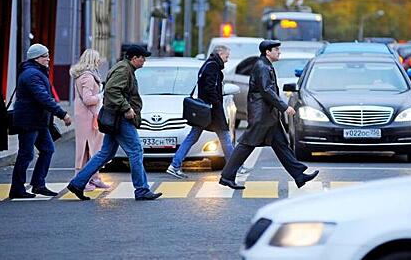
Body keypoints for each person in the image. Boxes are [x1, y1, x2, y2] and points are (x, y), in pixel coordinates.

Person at [220, 40, 319, 190]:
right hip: (262, 116)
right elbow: (267, 91)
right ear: (267, 52)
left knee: (282, 145)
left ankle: (299, 175)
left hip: (268, 115)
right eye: (276, 50)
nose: (279, 52)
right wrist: (284, 107)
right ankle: (227, 176)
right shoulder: (262, 67)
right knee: (246, 145)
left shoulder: (266, 65)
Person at [67, 45, 162, 201]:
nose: (144, 60)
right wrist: (126, 108)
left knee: (105, 153)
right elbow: (111, 90)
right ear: (134, 58)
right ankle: (142, 190)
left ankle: (77, 183)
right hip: (120, 118)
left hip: (115, 118)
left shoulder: (125, 68)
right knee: (136, 150)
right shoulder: (124, 70)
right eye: (142, 57)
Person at [166, 45, 249, 178]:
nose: (227, 60)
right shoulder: (213, 66)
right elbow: (210, 87)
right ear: (220, 53)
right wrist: (216, 102)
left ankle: (174, 165)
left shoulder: (209, 64)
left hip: (205, 109)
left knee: (193, 137)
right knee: (225, 137)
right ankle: (235, 167)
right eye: (226, 56)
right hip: (211, 110)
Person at [9, 44, 72, 199]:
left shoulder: (37, 72)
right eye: (45, 56)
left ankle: (38, 184)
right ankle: (17, 188)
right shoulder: (32, 75)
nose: (48, 59)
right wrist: (62, 114)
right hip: (28, 121)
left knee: (47, 150)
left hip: (39, 121)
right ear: (36, 58)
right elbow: (43, 97)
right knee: (26, 154)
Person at [70, 49, 110, 191]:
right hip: (86, 116)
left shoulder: (86, 75)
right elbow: (87, 99)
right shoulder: (88, 77)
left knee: (93, 147)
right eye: (97, 59)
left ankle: (94, 177)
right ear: (92, 60)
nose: (99, 61)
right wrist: (100, 96)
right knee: (85, 148)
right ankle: (80, 179)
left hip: (88, 115)